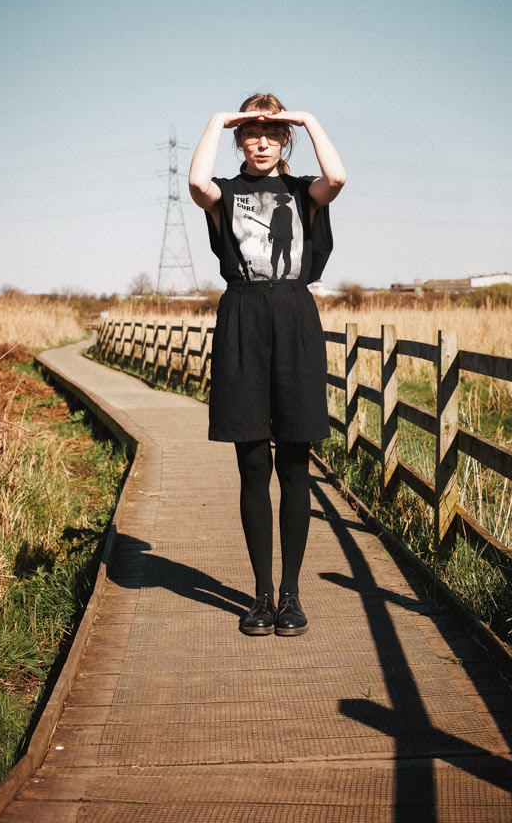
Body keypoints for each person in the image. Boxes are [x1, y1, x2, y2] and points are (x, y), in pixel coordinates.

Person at [188, 92, 346, 636]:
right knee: (253, 464)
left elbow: (338, 177)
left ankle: (291, 595)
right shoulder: (225, 193)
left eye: (273, 133)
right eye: (251, 133)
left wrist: (306, 117)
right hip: (242, 320)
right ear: (238, 139)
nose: (261, 142)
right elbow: (196, 183)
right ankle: (260, 596)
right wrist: (217, 120)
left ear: (286, 140)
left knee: (295, 465)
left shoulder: (304, 192)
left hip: (296, 319)